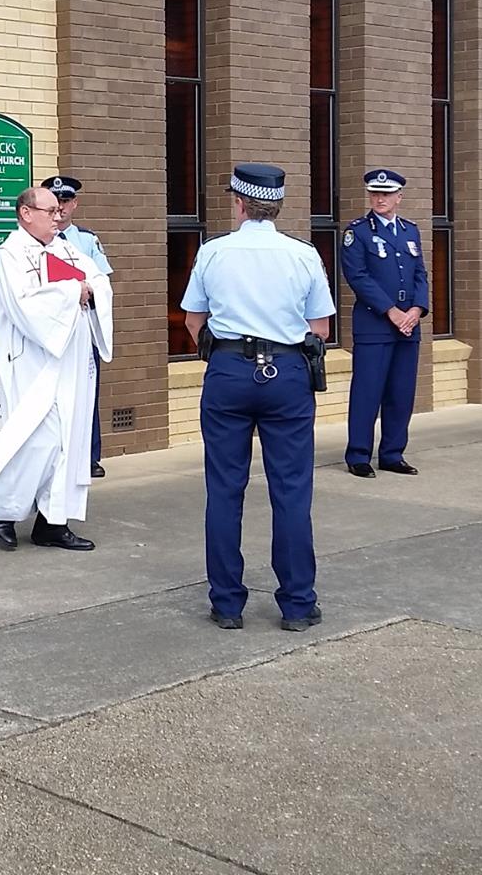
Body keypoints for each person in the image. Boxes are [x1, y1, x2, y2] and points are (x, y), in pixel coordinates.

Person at [180, 163, 334, 632]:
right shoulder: (303, 254)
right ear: (278, 205)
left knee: (224, 489)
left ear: (239, 203)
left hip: (228, 370)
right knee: (292, 490)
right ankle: (298, 604)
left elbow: (193, 320)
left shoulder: (213, 252)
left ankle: (227, 603)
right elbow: (320, 328)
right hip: (286, 373)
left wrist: (225, 357)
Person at [0, 185, 111, 551]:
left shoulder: (65, 248)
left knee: (70, 440)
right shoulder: (10, 255)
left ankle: (52, 523)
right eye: (51, 211)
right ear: (26, 213)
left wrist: (87, 288)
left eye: (60, 210)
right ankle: (2, 508)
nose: (59, 217)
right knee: (39, 438)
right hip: (34, 360)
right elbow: (25, 306)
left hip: (71, 359)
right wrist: (72, 292)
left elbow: (98, 280)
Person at [340, 169, 428, 477]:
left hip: (408, 326)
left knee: (401, 393)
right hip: (375, 324)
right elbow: (357, 277)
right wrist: (391, 311)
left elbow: (420, 273)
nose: (380, 199)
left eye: (387, 194)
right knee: (367, 392)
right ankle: (358, 455)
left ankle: (392, 453)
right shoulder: (358, 232)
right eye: (375, 193)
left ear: (398, 197)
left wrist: (417, 309)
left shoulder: (409, 230)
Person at [46, 174, 113, 477]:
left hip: (82, 326)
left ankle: (88, 456)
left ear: (74, 204)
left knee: (87, 393)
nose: (60, 207)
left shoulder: (86, 240)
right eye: (54, 201)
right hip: (51, 328)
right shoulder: (34, 241)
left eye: (65, 200)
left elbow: (103, 283)